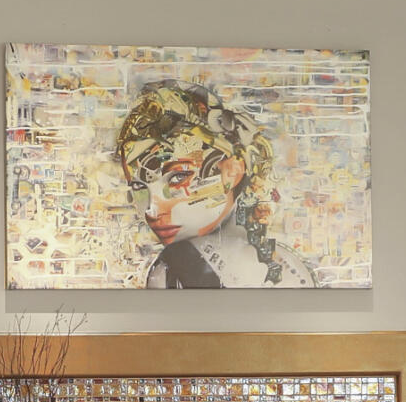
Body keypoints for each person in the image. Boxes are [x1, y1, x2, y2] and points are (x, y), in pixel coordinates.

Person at [114, 83, 289, 288]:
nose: (152, 211)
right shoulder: (287, 270)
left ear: (232, 171)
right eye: (138, 187)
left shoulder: (170, 273)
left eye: (178, 178)